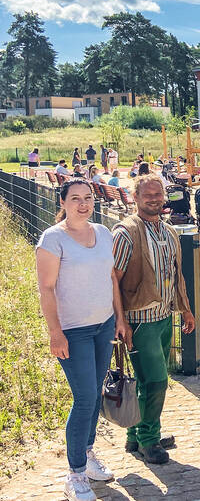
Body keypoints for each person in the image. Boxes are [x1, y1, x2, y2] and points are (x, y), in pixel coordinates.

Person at [36, 178, 132, 501]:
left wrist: (119, 317)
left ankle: (88, 455)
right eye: (75, 198)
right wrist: (55, 332)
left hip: (103, 326)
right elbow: (46, 289)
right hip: (73, 331)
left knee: (94, 393)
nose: (83, 204)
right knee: (85, 398)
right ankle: (75, 473)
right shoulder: (53, 240)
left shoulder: (103, 233)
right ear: (62, 202)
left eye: (88, 198)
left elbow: (110, 279)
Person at [112, 175, 195, 465]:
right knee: (155, 381)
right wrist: (119, 321)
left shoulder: (169, 231)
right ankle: (149, 439)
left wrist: (184, 308)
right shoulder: (125, 233)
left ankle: (135, 435)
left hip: (163, 318)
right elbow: (112, 281)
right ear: (134, 198)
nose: (154, 199)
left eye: (158, 194)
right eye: (147, 195)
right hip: (139, 321)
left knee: (150, 381)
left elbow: (176, 275)